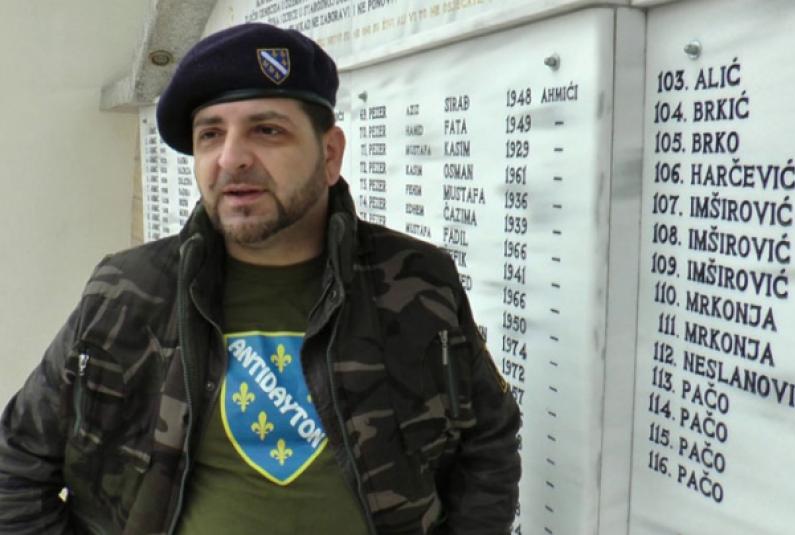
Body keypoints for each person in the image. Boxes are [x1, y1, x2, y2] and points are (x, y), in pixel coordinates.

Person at [0, 23, 521, 535]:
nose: (231, 158)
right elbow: (16, 465)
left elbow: (488, 441)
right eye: (210, 135)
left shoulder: (415, 280)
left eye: (267, 130)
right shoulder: (126, 292)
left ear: (330, 154)